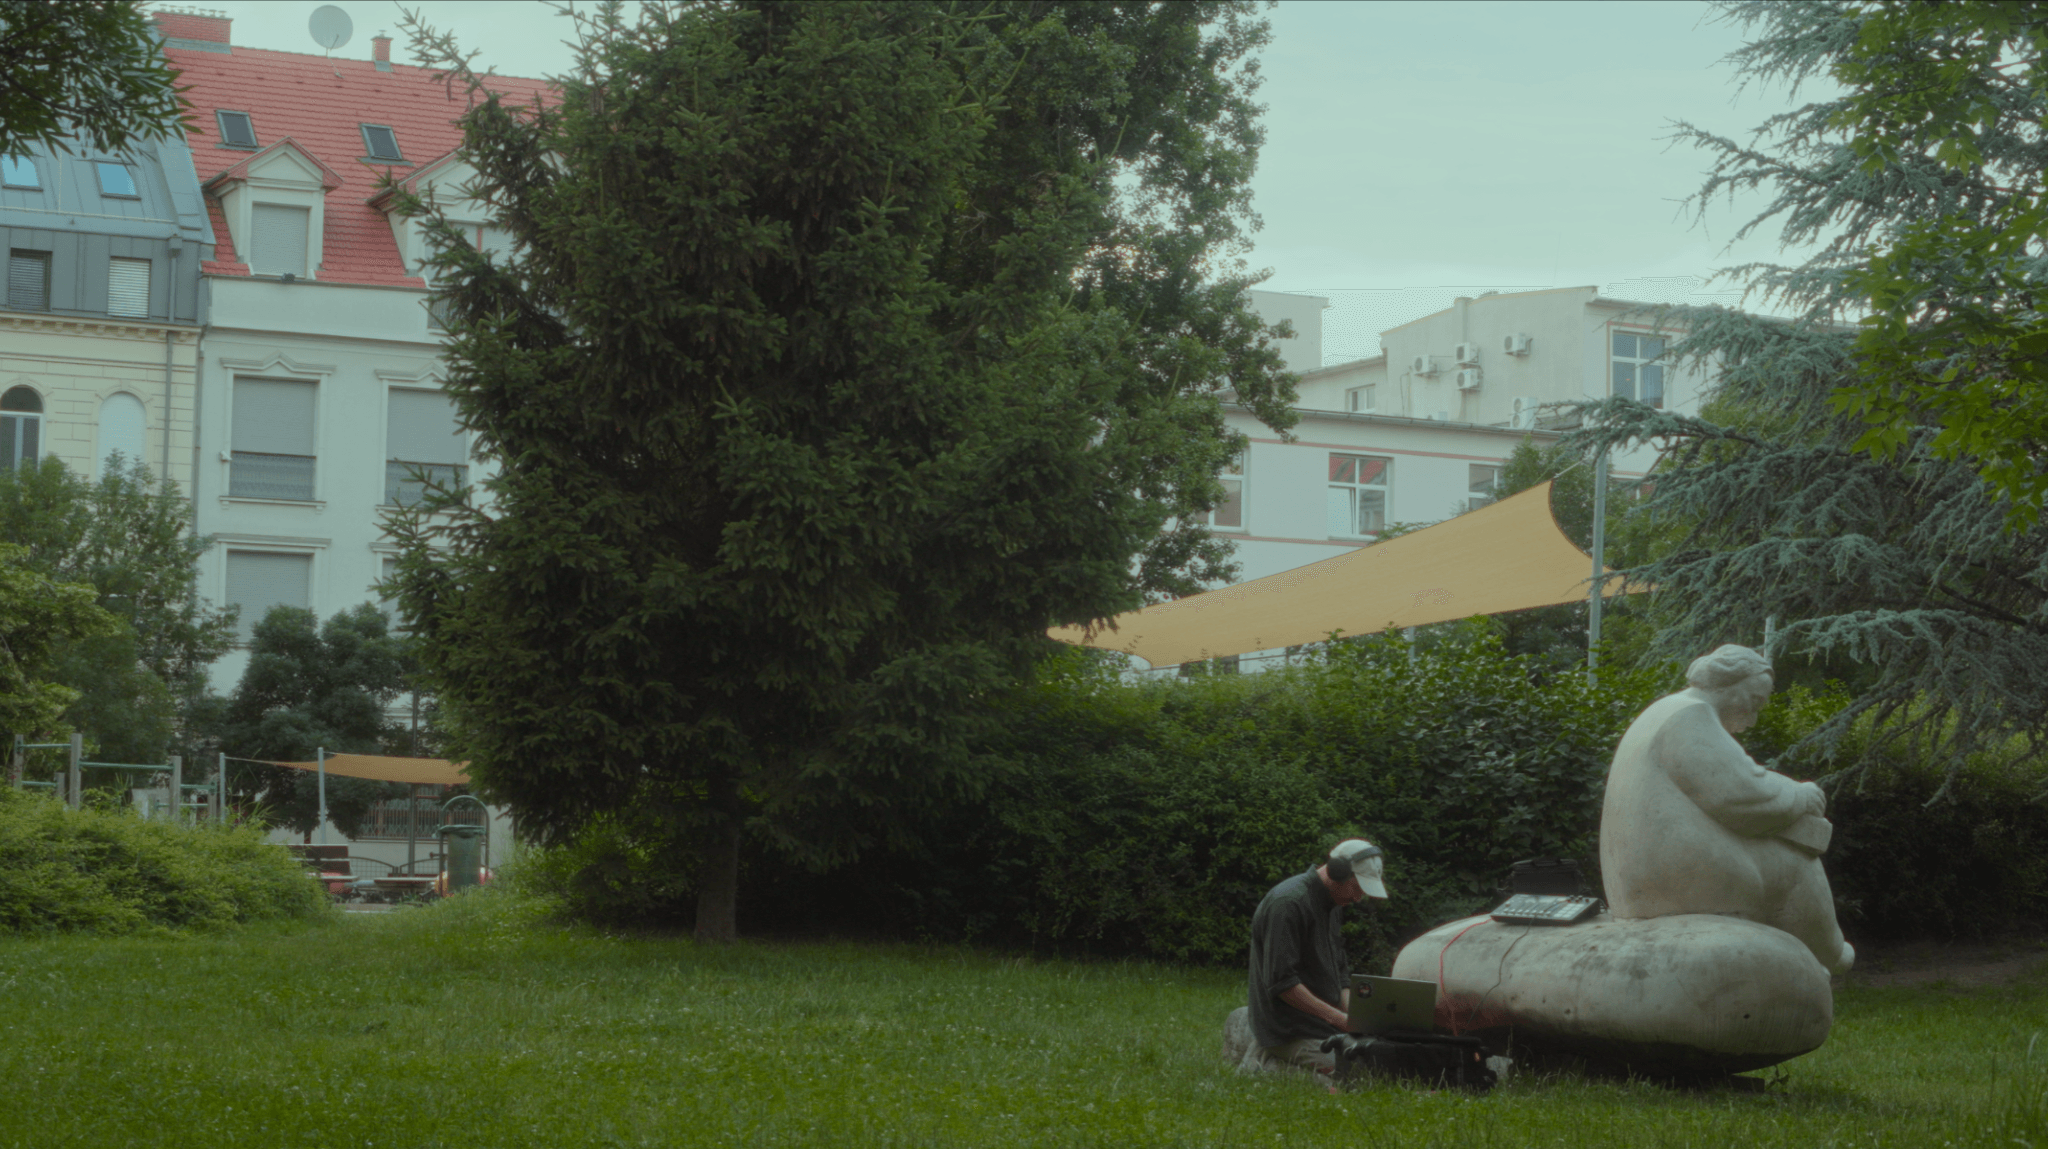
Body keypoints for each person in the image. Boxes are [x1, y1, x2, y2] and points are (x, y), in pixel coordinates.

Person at [1600, 644, 1855, 973]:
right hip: (1675, 877)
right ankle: (1830, 955)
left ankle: (1802, 963)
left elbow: (1737, 778)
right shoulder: (1691, 715)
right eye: (1754, 701)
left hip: (1647, 878)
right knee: (1792, 863)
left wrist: (1790, 793)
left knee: (1785, 845)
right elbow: (1743, 797)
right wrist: (1801, 795)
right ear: (1729, 684)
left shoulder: (1667, 709)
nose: (1753, 717)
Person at [1237, 838, 1387, 1077]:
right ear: (1338, 872)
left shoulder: (1333, 905)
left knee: (1385, 1059)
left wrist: (1357, 1020)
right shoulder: (1288, 904)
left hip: (1322, 1024)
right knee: (1361, 1073)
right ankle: (1264, 1061)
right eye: (1358, 888)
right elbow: (1283, 984)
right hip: (1290, 1029)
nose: (1358, 898)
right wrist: (1339, 1019)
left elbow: (1340, 974)